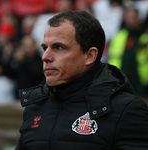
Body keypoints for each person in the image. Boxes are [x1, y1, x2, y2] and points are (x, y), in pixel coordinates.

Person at [15, 11, 148, 150]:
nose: (45, 57)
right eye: (45, 48)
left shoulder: (126, 110)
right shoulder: (35, 107)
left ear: (90, 56)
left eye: (58, 47)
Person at [108, 7, 148, 99]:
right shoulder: (118, 37)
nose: (131, 20)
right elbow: (112, 57)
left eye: (134, 17)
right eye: (129, 17)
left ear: (139, 18)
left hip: (141, 81)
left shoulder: (144, 38)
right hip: (121, 78)